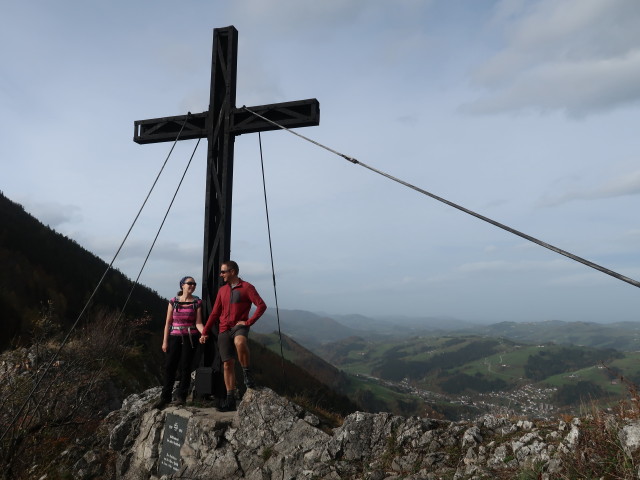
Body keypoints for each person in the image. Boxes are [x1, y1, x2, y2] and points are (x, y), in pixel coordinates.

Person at [200, 261, 266, 411]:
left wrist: (249, 322)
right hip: (224, 329)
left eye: (223, 272)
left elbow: (261, 305)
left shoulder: (247, 287)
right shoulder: (222, 290)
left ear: (233, 272)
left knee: (240, 343)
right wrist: (205, 332)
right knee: (227, 364)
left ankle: (247, 373)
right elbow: (215, 313)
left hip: (239, 327)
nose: (221, 274)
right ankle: (230, 400)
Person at [154, 276, 204, 409]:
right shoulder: (173, 302)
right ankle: (165, 397)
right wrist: (165, 341)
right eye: (190, 283)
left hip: (190, 337)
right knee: (170, 366)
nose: (192, 286)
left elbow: (198, 322)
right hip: (174, 337)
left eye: (194, 284)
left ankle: (181, 397)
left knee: (185, 367)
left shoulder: (197, 302)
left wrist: (204, 332)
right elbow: (168, 323)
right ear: (182, 285)